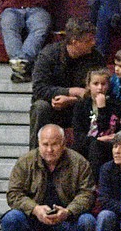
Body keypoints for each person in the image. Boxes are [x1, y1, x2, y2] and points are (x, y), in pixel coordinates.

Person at [1, 124, 96, 231]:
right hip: (34, 219)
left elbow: (87, 194)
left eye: (54, 144)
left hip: (66, 219)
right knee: (11, 219)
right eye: (45, 145)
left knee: (87, 221)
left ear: (64, 144)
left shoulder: (79, 163)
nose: (49, 150)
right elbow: (13, 194)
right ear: (38, 144)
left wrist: (68, 211)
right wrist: (35, 209)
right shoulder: (25, 162)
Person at [29, 18, 103, 148]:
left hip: (81, 107)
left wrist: (71, 99)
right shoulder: (49, 55)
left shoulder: (95, 58)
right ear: (75, 42)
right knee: (40, 107)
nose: (93, 43)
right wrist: (70, 91)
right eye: (88, 41)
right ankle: (35, 158)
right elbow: (39, 88)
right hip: (53, 107)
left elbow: (101, 89)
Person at [70, 67, 121, 171]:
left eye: (103, 84)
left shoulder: (115, 105)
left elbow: (106, 130)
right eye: (95, 84)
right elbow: (78, 134)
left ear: (108, 86)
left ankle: (95, 184)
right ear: (89, 85)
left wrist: (102, 108)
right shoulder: (81, 105)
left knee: (97, 147)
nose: (99, 88)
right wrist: (95, 140)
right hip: (86, 143)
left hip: (107, 145)